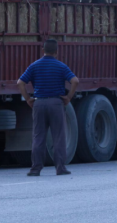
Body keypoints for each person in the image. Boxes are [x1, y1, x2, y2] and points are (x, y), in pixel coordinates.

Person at [17, 39, 79, 177]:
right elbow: (75, 81)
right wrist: (68, 97)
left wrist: (28, 99)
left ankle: (35, 169)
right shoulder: (61, 66)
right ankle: (60, 168)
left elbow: (20, 82)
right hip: (56, 103)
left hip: (39, 103)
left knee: (38, 136)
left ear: (43, 50)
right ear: (57, 51)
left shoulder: (34, 66)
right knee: (58, 136)